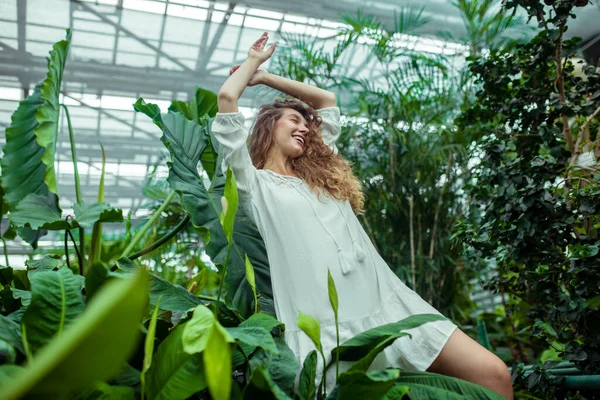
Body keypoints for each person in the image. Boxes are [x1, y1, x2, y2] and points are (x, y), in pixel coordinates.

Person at [212, 31, 514, 399]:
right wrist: (252, 65)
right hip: (327, 332)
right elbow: (227, 97)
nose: (305, 128)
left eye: (306, 124)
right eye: (293, 119)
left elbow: (326, 100)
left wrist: (266, 80)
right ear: (268, 126)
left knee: (493, 375)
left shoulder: (319, 174)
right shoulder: (254, 185)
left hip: (391, 307)